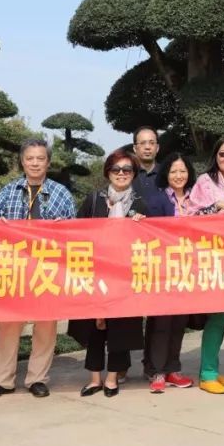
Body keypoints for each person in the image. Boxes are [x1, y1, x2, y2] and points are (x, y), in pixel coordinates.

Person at [0, 139, 76, 400]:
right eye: (30, 158)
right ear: (22, 161)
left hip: (48, 269)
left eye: (40, 158)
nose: (35, 163)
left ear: (48, 162)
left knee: (46, 327)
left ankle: (37, 378)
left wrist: (64, 228)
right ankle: (2, 380)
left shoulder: (62, 194)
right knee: (8, 326)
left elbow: (75, 233)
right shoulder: (8, 191)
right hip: (14, 267)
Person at [70, 150, 168, 396]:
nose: (122, 174)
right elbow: (76, 233)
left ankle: (112, 378)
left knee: (119, 328)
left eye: (127, 170)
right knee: (94, 328)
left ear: (134, 174)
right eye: (116, 169)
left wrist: (142, 227)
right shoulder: (93, 200)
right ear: (107, 173)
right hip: (94, 273)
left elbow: (151, 241)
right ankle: (94, 378)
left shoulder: (140, 204)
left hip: (125, 277)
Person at [188, 137, 224, 394]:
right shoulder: (205, 182)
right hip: (213, 257)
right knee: (218, 315)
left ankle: (213, 366)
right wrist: (216, 205)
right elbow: (190, 215)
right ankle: (207, 373)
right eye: (223, 154)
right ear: (216, 156)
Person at [142, 153, 195, 394]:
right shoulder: (157, 199)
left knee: (179, 322)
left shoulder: (196, 199)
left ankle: (174, 368)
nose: (179, 176)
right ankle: (157, 370)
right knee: (161, 322)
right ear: (166, 174)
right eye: (173, 171)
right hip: (164, 269)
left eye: (182, 171)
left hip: (189, 268)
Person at [132, 125, 161, 194]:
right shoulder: (126, 175)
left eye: (152, 143)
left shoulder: (167, 173)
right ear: (135, 148)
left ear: (157, 148)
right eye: (142, 143)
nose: (147, 147)